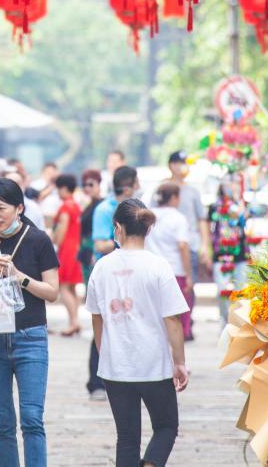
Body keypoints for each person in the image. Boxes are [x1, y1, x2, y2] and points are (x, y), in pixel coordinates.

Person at [0, 178, 60, 467]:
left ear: (19, 208)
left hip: (30, 336)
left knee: (32, 418)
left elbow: (52, 292)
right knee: (3, 422)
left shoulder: (38, 240)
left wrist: (19, 276)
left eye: (2, 208)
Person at [86, 199, 190, 467]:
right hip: (153, 363)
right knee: (166, 427)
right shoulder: (158, 266)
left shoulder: (102, 267)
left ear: (117, 228)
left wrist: (104, 352)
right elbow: (173, 319)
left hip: (116, 366)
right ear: (148, 229)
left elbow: (97, 318)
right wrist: (180, 362)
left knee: (126, 438)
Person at [87, 165, 139, 401]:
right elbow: (99, 244)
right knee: (103, 322)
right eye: (136, 183)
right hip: (109, 274)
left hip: (132, 273)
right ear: (128, 187)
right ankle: (96, 381)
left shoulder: (136, 207)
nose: (138, 187)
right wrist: (125, 240)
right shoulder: (104, 210)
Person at [146, 183, 196, 341]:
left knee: (155, 314)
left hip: (151, 271)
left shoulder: (148, 216)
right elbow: (183, 246)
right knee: (176, 313)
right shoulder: (178, 218)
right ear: (174, 198)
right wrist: (188, 275)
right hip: (175, 271)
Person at [163, 151, 212, 277]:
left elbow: (202, 219)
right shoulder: (162, 189)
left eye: (185, 163)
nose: (184, 166)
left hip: (190, 246)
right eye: (180, 163)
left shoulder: (193, 191)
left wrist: (204, 246)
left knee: (189, 283)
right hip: (166, 247)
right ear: (171, 165)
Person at [210, 180, 248, 321]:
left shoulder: (241, 205)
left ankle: (238, 321)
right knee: (222, 290)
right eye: (228, 183)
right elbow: (209, 230)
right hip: (221, 255)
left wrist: (240, 205)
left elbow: (244, 225)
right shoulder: (214, 207)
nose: (231, 187)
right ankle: (225, 319)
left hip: (239, 255)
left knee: (240, 291)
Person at [51, 173, 83, 336]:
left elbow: (61, 231)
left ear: (64, 188)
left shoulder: (65, 207)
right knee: (71, 287)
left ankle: (74, 322)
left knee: (63, 286)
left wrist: (54, 239)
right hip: (76, 248)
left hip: (66, 250)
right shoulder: (76, 205)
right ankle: (74, 321)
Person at [77, 169, 102, 284]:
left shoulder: (102, 205)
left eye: (91, 184)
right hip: (85, 249)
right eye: (84, 185)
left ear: (98, 184)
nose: (87, 188)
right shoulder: (86, 204)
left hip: (95, 248)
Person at [36, 162, 61, 227]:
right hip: (42, 219)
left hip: (56, 220)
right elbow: (38, 197)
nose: (51, 175)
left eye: (53, 172)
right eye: (49, 172)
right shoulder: (36, 184)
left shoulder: (58, 187)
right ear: (43, 172)